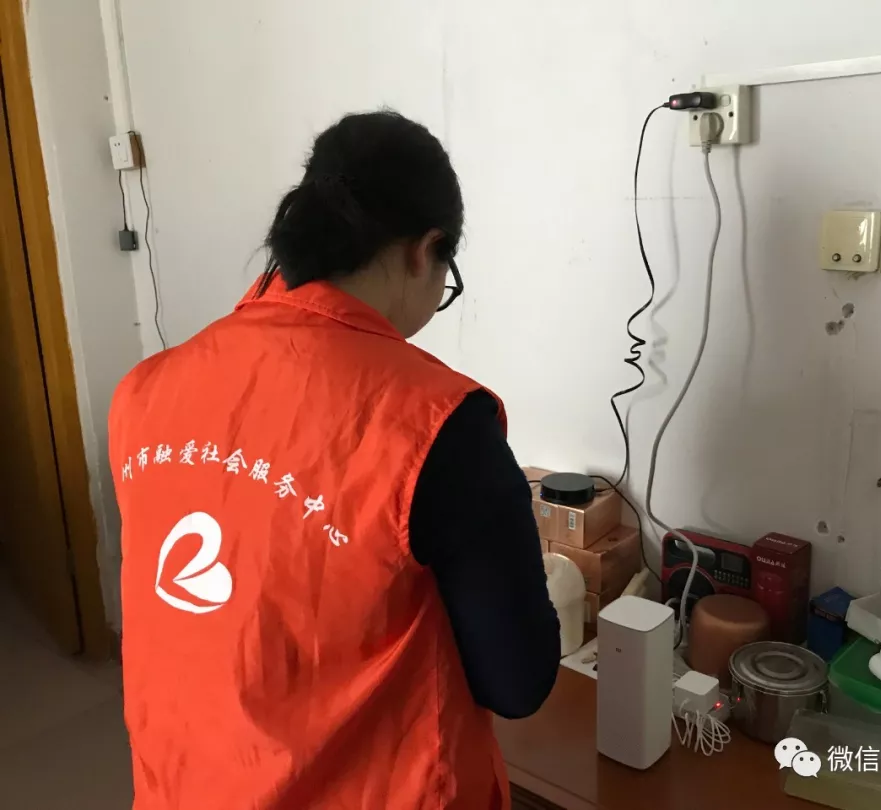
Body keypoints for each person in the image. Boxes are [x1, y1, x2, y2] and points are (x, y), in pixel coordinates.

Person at [109, 111, 561, 810]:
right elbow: (517, 683)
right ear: (426, 251)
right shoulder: (437, 424)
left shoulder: (144, 391)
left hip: (182, 787)